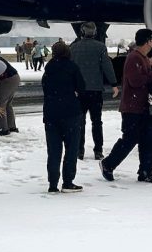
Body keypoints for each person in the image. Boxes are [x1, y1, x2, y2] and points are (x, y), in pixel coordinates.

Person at [100, 28, 152, 183]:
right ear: (146, 41)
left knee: (148, 139)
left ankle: (146, 171)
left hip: (144, 105)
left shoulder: (144, 57)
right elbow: (135, 81)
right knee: (130, 138)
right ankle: (108, 164)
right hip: (132, 106)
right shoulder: (133, 58)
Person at [70, 22, 119, 160]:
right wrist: (114, 84)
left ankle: (79, 150)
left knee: (80, 122)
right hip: (95, 90)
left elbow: (70, 68)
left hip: (79, 91)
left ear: (82, 32)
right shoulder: (100, 47)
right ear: (95, 33)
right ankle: (98, 150)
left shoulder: (74, 48)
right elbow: (107, 66)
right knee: (97, 122)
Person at [41, 41, 86, 193]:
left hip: (51, 113)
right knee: (71, 148)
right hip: (70, 112)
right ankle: (68, 181)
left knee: (53, 150)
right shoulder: (72, 67)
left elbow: (45, 88)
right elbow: (82, 87)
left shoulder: (49, 68)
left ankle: (52, 183)